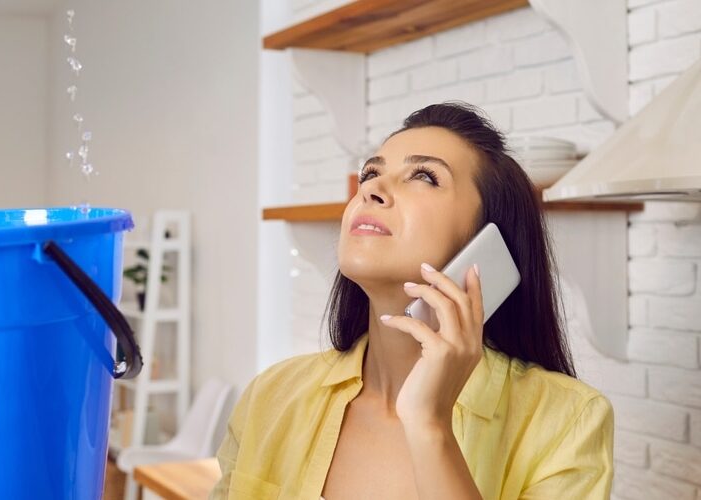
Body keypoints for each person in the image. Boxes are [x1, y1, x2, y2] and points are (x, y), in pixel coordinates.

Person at [210, 102, 614, 500]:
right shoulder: (271, 395)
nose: (370, 188)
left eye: (423, 176)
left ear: (485, 244)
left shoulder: (567, 421)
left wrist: (430, 425)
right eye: (371, 172)